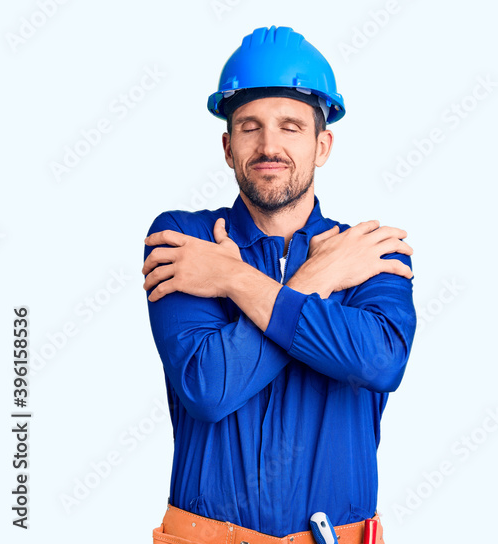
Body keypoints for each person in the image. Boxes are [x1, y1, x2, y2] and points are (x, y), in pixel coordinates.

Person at [142, 26, 416, 544]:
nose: (270, 145)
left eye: (290, 126)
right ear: (228, 146)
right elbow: (209, 386)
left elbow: (380, 361)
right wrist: (319, 279)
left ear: (322, 144)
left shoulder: (371, 253)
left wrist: (229, 278)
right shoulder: (184, 239)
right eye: (250, 126)